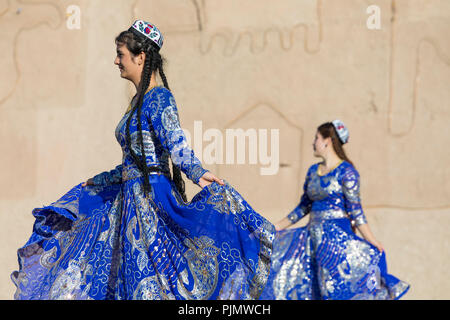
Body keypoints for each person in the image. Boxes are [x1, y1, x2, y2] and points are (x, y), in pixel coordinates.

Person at [11, 20, 274, 300]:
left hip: (151, 202)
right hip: (130, 202)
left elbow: (176, 145)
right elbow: (132, 164)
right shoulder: (137, 101)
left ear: (141, 57)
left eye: (121, 54)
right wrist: (97, 181)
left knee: (156, 281)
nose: (116, 61)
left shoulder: (159, 98)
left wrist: (198, 172)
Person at [260, 120, 410, 300]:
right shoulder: (313, 171)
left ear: (327, 141)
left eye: (316, 138)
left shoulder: (347, 172)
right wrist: (276, 226)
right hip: (311, 242)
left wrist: (372, 241)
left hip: (336, 241)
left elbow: (356, 211)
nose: (313, 143)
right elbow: (303, 207)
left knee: (333, 290)